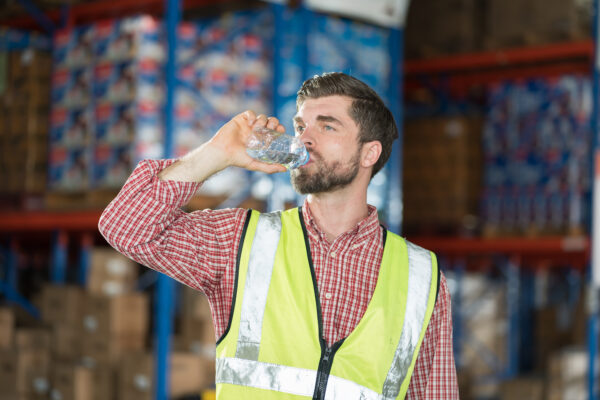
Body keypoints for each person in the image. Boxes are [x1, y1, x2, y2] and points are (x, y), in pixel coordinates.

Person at [99, 72, 459, 399]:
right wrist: (216, 153)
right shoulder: (240, 241)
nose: (304, 139)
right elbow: (126, 227)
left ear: (370, 153)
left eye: (327, 126)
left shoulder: (421, 277)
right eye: (301, 125)